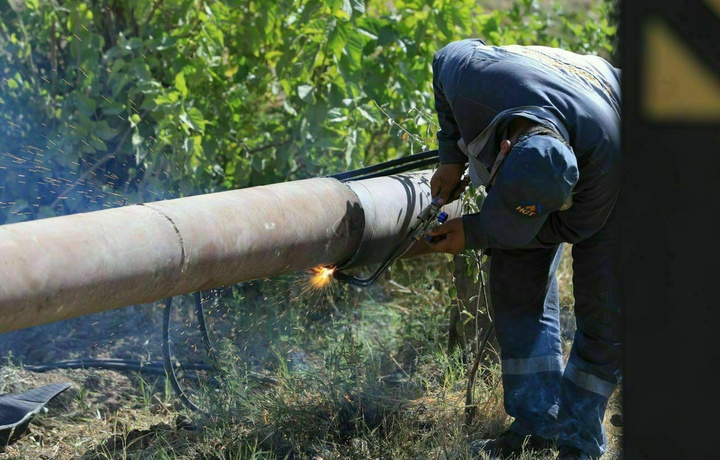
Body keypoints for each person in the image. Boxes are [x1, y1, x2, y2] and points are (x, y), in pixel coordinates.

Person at [424, 39, 622, 460]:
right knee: (515, 280)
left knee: (602, 301)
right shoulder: (469, 78)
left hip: (618, 148)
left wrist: (480, 231)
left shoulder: (603, 156)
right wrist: (450, 156)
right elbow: (443, 57)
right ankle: (536, 424)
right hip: (549, 96)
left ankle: (579, 438)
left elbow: (574, 226)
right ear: (506, 149)